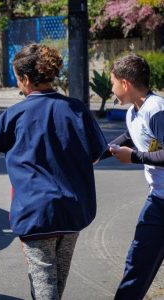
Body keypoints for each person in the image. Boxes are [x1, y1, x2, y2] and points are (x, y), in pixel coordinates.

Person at [0, 43, 107, 299]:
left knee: (44, 286)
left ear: (26, 78)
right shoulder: (77, 110)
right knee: (55, 284)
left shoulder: (16, 114)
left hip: (37, 213)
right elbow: (96, 154)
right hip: (74, 212)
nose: (19, 85)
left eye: (18, 79)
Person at [103, 54, 164, 299]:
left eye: (112, 83)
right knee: (138, 262)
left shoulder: (156, 109)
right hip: (159, 200)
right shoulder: (134, 112)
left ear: (125, 84)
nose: (111, 89)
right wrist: (94, 156)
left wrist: (135, 158)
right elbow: (128, 138)